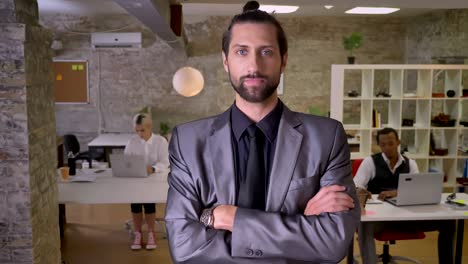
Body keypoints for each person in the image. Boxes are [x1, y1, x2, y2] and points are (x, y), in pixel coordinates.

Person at [164, 2, 360, 263]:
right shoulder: (188, 141)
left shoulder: (327, 137)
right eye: (242, 51)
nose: (253, 65)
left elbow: (332, 244)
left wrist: (228, 218)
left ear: (283, 60)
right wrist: (299, 224)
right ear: (225, 61)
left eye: (266, 51)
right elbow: (184, 247)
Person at [354, 127, 455, 264]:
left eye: (391, 143)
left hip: (407, 216)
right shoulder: (370, 162)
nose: (387, 148)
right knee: (364, 225)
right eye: (383, 145)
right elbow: (356, 186)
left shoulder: (410, 164)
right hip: (380, 218)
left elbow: (418, 190)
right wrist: (362, 191)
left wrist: (396, 192)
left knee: (447, 223)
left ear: (398, 142)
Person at [124, 113, 169, 250]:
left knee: (149, 204)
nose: (139, 134)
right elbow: (126, 161)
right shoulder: (132, 142)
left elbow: (166, 162)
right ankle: (137, 233)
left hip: (154, 180)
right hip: (136, 180)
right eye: (137, 130)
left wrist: (154, 168)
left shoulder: (160, 141)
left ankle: (151, 233)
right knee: (135, 203)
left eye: (142, 130)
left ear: (149, 127)